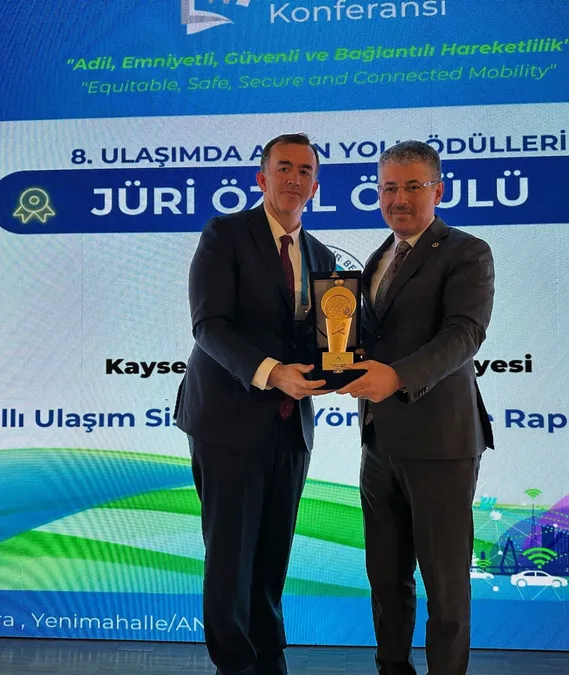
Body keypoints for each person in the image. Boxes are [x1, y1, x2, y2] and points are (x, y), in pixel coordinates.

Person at [175, 133, 336, 675]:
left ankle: (269, 660)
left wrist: (337, 367)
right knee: (230, 558)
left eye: (305, 171)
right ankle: (236, 666)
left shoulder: (321, 256)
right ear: (262, 178)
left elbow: (317, 339)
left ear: (315, 186)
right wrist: (272, 373)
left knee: (272, 556)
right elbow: (209, 326)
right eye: (284, 168)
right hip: (229, 421)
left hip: (291, 427)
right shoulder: (225, 234)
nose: (294, 178)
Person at [338, 140, 495, 675]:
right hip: (379, 441)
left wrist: (398, 376)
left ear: (438, 190)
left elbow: (464, 334)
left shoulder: (466, 251)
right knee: (385, 578)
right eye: (388, 188)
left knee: (445, 586)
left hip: (440, 444)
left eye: (411, 186)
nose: (398, 198)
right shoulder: (377, 257)